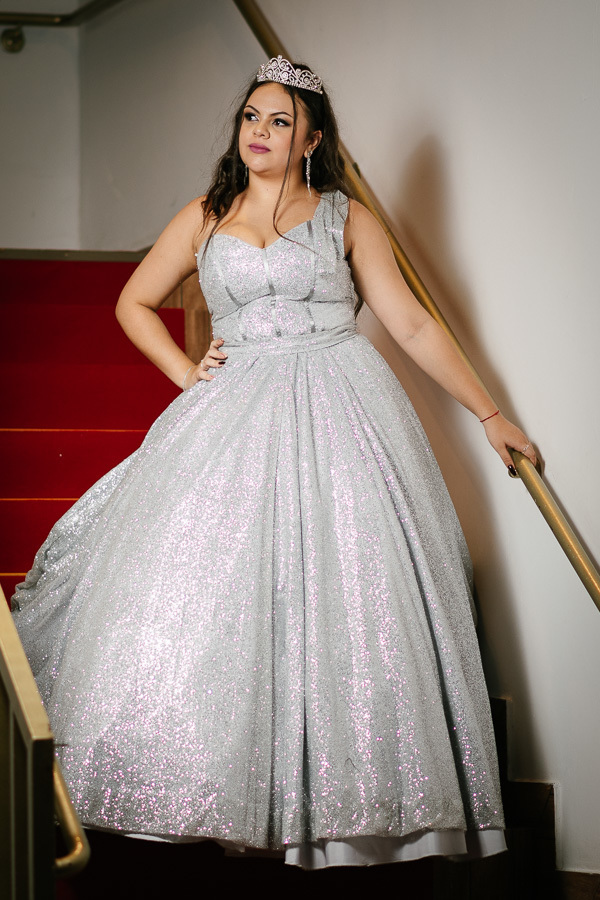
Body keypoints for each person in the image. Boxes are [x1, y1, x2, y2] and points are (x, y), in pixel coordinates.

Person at [12, 56, 537, 870]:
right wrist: (189, 376)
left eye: (279, 121)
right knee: (208, 589)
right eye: (251, 117)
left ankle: (342, 807)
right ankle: (209, 785)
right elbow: (132, 302)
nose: (259, 131)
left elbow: (409, 325)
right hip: (232, 411)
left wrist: (491, 413)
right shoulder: (205, 214)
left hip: (341, 405)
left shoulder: (347, 218)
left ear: (312, 139)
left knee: (347, 594)